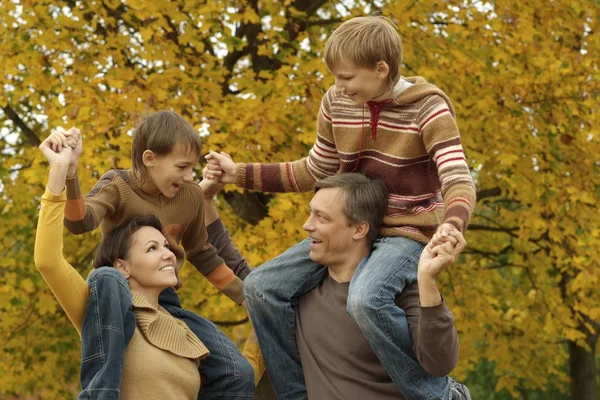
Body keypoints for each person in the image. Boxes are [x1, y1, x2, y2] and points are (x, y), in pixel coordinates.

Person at [203, 15, 476, 399]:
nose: (338, 87)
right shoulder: (336, 103)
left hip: (405, 230)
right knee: (262, 288)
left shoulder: (428, 110)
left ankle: (434, 394)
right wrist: (239, 174)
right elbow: (314, 169)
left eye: (347, 78)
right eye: (335, 77)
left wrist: (452, 223)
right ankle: (297, 393)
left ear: (381, 69)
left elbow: (457, 178)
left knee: (365, 298)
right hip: (350, 223)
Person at [201, 172, 471, 400]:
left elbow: (439, 364)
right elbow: (245, 277)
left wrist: (427, 281)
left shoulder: (395, 293)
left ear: (359, 229)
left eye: (322, 218)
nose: (307, 226)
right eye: (310, 214)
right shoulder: (290, 296)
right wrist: (204, 202)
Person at [49, 113, 255, 398]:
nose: (188, 177)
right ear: (150, 158)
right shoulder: (117, 185)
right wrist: (70, 175)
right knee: (107, 275)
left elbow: (202, 253)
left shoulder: (192, 196)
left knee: (238, 372)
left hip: (164, 300)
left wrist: (246, 297)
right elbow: (79, 223)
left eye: (192, 168)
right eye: (182, 167)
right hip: (116, 293)